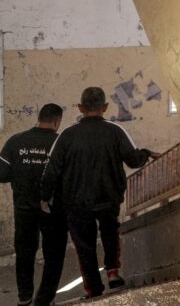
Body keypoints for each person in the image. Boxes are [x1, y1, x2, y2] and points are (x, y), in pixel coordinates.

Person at [40, 87, 159, 298]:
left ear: (80, 108)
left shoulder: (67, 136)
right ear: (104, 107)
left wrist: (44, 196)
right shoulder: (115, 131)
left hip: (76, 202)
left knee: (84, 245)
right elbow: (132, 159)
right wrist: (147, 153)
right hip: (108, 197)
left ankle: (94, 289)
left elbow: (52, 170)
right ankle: (113, 272)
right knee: (110, 232)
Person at [0, 104, 67, 306]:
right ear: (57, 121)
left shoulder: (16, 141)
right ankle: (45, 299)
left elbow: (1, 174)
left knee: (25, 253)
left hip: (24, 209)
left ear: (39, 118)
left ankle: (24, 297)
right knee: (54, 254)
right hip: (54, 210)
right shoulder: (61, 143)